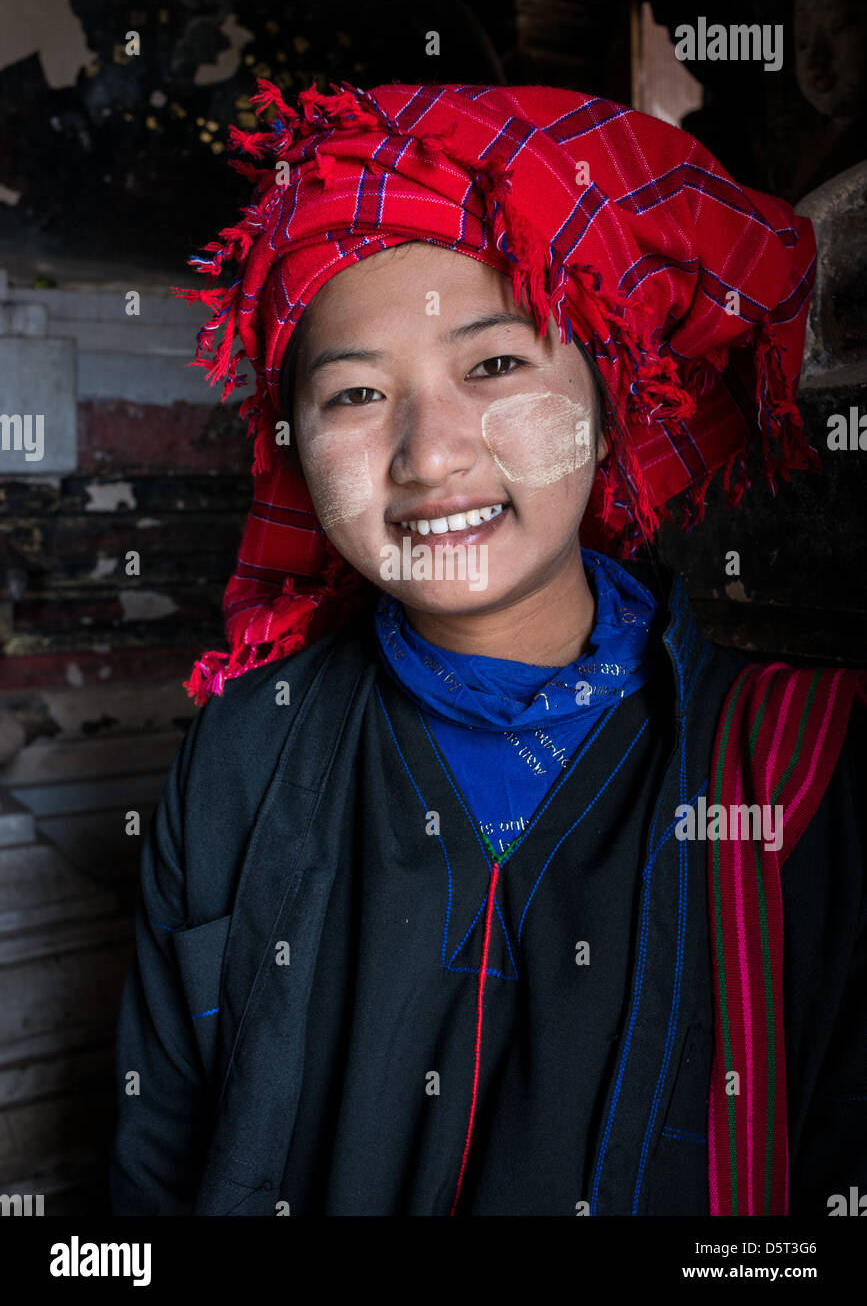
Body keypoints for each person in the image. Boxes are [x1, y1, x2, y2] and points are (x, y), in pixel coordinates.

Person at [109, 79, 866, 1217]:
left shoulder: (803, 774)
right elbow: (153, 1167)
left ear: (608, 403)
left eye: (497, 366)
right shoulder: (242, 761)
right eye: (358, 392)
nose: (428, 453)